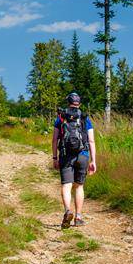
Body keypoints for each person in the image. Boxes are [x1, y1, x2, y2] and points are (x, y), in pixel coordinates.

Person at [52, 91, 96, 228]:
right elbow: (91, 140)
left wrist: (55, 157)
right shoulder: (85, 118)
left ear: (68, 103)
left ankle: (67, 211)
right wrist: (93, 161)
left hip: (66, 154)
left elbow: (55, 140)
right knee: (79, 186)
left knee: (66, 185)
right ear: (79, 103)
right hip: (83, 155)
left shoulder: (61, 117)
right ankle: (78, 217)